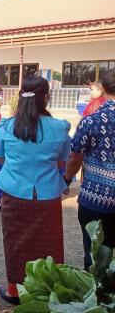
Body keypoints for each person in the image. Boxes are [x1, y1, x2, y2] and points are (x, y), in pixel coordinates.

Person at [0, 76, 70, 304]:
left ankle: (15, 292)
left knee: (14, 243)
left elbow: (0, 158)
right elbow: (61, 162)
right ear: (46, 98)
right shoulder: (59, 127)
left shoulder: (7, 126)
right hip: (46, 194)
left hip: (14, 193)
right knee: (49, 244)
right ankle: (48, 291)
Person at [65, 71, 115, 271]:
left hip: (96, 199)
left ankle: (99, 297)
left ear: (102, 88)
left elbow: (75, 156)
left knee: (95, 254)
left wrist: (67, 179)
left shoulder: (91, 121)